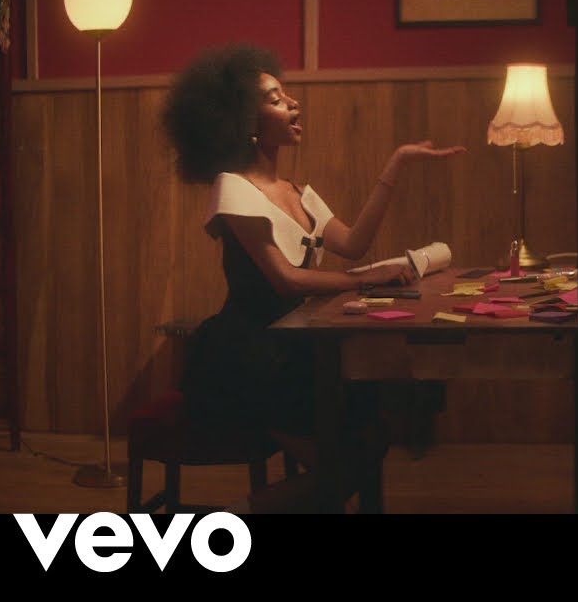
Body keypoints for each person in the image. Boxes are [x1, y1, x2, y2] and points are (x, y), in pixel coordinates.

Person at [161, 43, 465, 512]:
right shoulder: (232, 188)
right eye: (276, 99)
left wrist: (396, 163)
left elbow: (354, 244)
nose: (293, 103)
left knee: (373, 436)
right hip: (250, 354)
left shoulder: (298, 192)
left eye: (286, 95)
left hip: (299, 346)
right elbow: (285, 280)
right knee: (344, 465)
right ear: (245, 121)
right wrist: (368, 280)